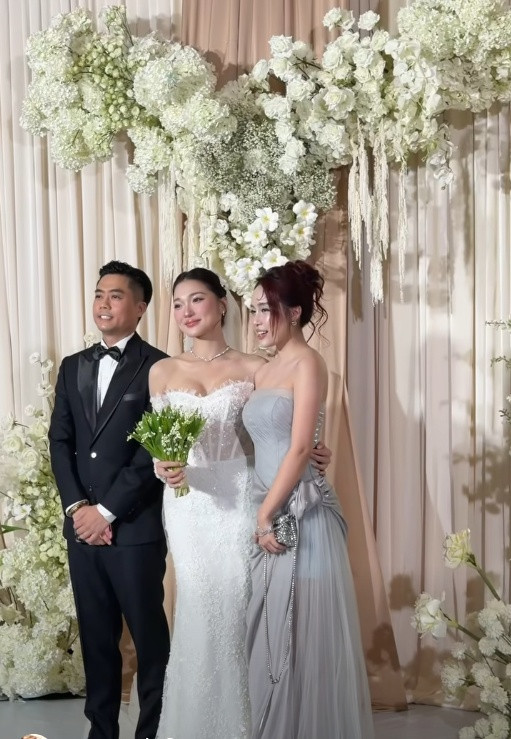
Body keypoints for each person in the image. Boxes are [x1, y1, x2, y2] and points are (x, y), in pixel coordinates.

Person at [149, 267, 331, 739]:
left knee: (237, 608)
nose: (186, 311)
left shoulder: (257, 367)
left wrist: (314, 449)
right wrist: (161, 466)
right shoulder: (161, 371)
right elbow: (159, 443)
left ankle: (248, 726)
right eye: (177, 304)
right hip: (187, 504)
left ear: (223, 304)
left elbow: (279, 429)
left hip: (240, 497)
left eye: (196, 299)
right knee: (196, 608)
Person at [243, 260, 374, 739]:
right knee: (269, 627)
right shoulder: (263, 369)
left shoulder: (308, 363)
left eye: (266, 309)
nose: (257, 321)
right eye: (253, 310)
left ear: (294, 312)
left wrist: (266, 514)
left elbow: (300, 448)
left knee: (303, 629)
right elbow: (265, 441)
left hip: (301, 511)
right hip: (266, 506)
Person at [49, 261, 170, 739]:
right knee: (97, 642)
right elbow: (60, 441)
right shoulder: (72, 366)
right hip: (82, 531)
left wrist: (107, 511)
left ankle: (151, 732)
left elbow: (153, 448)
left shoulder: (160, 366)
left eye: (116, 295)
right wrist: (79, 509)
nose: (103, 303)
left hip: (135, 528)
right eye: (99, 294)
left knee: (149, 641)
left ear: (140, 308)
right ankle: (101, 732)